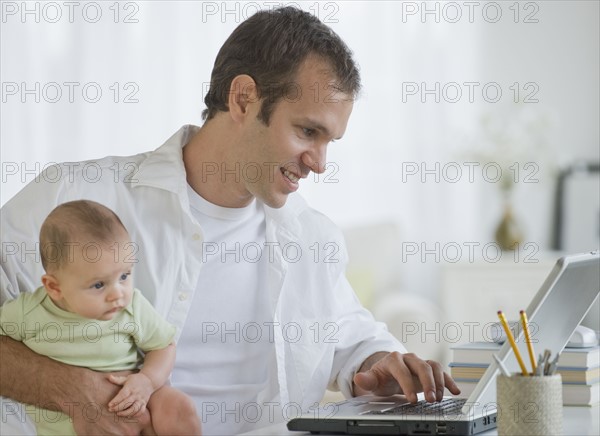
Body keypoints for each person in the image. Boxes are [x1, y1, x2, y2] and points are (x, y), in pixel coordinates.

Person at [0, 6, 460, 435]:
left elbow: (351, 337)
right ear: (243, 99)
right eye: (307, 131)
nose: (319, 163)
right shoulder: (74, 197)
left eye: (329, 141)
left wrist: (381, 365)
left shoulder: (311, 237)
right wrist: (71, 391)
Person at [0, 200, 202, 435]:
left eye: (125, 276)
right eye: (98, 284)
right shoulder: (28, 313)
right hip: (71, 425)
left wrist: (147, 381)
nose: (118, 293)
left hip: (135, 396)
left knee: (180, 409)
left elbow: (164, 345)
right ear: (54, 287)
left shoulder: (132, 307)